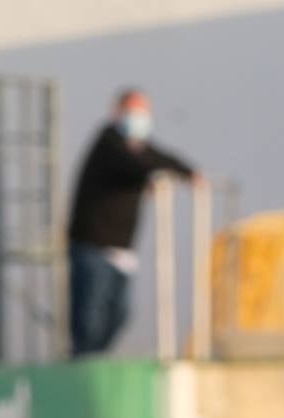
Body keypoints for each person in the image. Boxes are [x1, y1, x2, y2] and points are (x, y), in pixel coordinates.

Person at [66, 88, 198, 356]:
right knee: (90, 319)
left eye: (143, 112)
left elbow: (158, 158)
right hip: (93, 247)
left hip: (121, 250)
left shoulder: (139, 148)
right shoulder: (108, 143)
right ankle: (84, 365)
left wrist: (189, 173)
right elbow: (133, 166)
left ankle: (94, 360)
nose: (139, 118)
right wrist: (149, 177)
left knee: (119, 315)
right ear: (118, 113)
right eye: (134, 111)